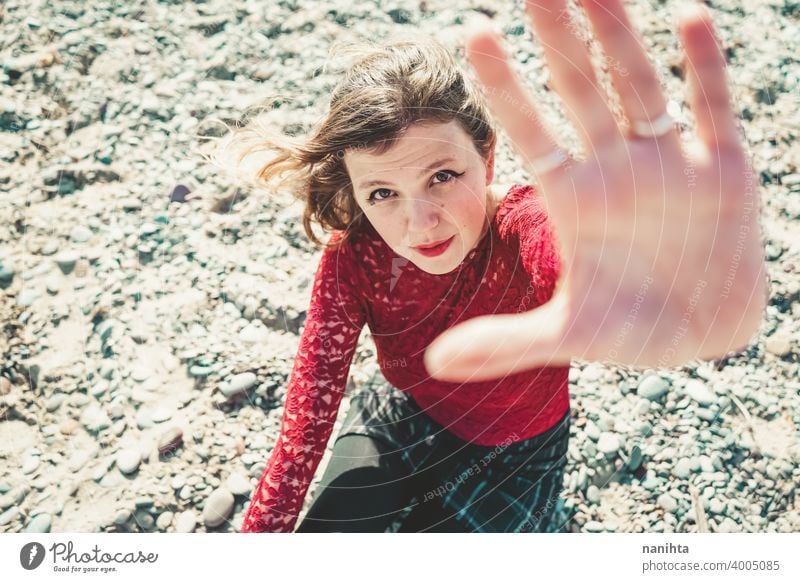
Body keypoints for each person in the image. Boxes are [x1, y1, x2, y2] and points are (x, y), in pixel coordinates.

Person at [227, 0, 768, 533]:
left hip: (516, 453)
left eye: (442, 176)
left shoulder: (531, 228)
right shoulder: (356, 258)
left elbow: (577, 259)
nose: (421, 224)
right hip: (401, 417)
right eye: (383, 192)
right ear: (357, 193)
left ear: (486, 156)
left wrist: (679, 287)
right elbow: (304, 428)